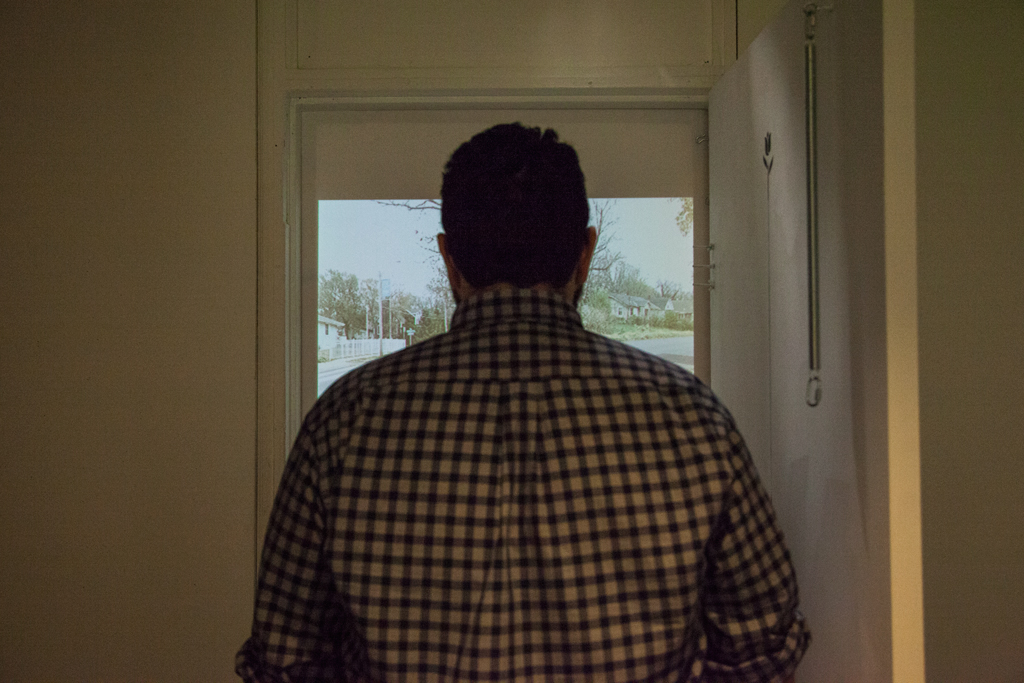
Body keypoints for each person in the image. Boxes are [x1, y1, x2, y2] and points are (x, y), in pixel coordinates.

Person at [237, 123, 810, 682]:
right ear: (586, 252)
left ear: (449, 259)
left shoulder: (344, 422)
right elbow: (762, 647)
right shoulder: (693, 419)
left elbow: (285, 657)